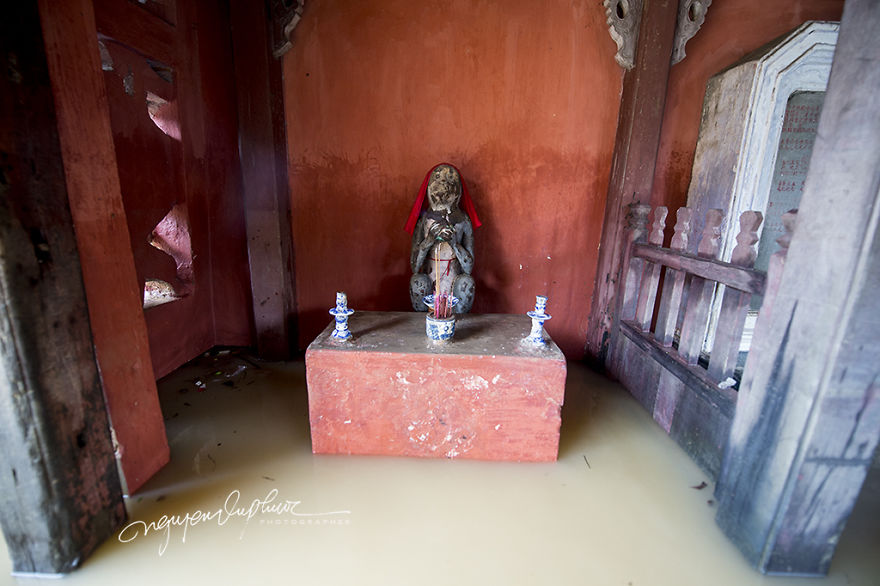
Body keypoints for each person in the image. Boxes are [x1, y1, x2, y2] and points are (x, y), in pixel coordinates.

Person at [405, 163, 480, 313]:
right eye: (438, 178)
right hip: (429, 280)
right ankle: (423, 320)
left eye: (450, 179)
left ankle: (458, 320)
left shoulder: (463, 220)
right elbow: (414, 266)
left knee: (467, 282)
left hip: (454, 282)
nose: (444, 184)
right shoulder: (425, 220)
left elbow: (468, 268)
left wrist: (454, 244)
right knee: (417, 281)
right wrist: (430, 239)